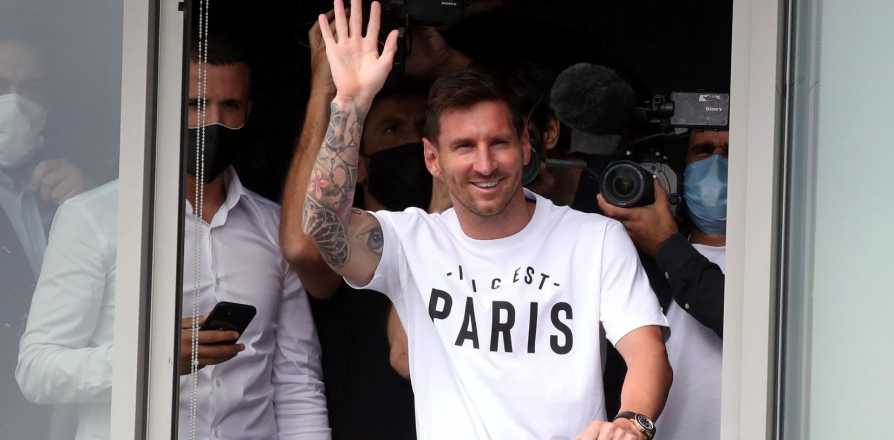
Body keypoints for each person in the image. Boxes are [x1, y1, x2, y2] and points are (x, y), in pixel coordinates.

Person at [301, 2, 671, 439]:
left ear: (526, 147)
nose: (484, 164)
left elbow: (647, 350)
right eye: (464, 147)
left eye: (499, 143)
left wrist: (632, 422)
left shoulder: (595, 238)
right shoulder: (410, 240)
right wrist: (350, 103)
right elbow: (324, 226)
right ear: (432, 158)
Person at [16, 33, 330, 440]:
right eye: (196, 105)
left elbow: (297, 380)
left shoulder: (273, 226)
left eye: (230, 106)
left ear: (247, 112)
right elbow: (37, 369)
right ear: (165, 107)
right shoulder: (94, 218)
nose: (213, 121)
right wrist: (151, 358)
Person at [279, 12, 432, 439]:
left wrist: (443, 61)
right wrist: (326, 87)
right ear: (358, 162)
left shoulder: (461, 236)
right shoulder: (346, 247)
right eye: (391, 129)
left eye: (422, 130)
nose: (410, 142)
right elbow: (302, 246)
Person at [597, 128, 729, 440]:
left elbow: (740, 320)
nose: (717, 164)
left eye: (730, 152)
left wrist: (667, 244)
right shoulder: (640, 263)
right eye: (703, 150)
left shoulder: (779, 265)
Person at [1, 37, 90, 438]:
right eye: (1, 86)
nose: (14, 103)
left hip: (70, 412)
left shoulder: (69, 186)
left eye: (29, 89)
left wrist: (90, 203)